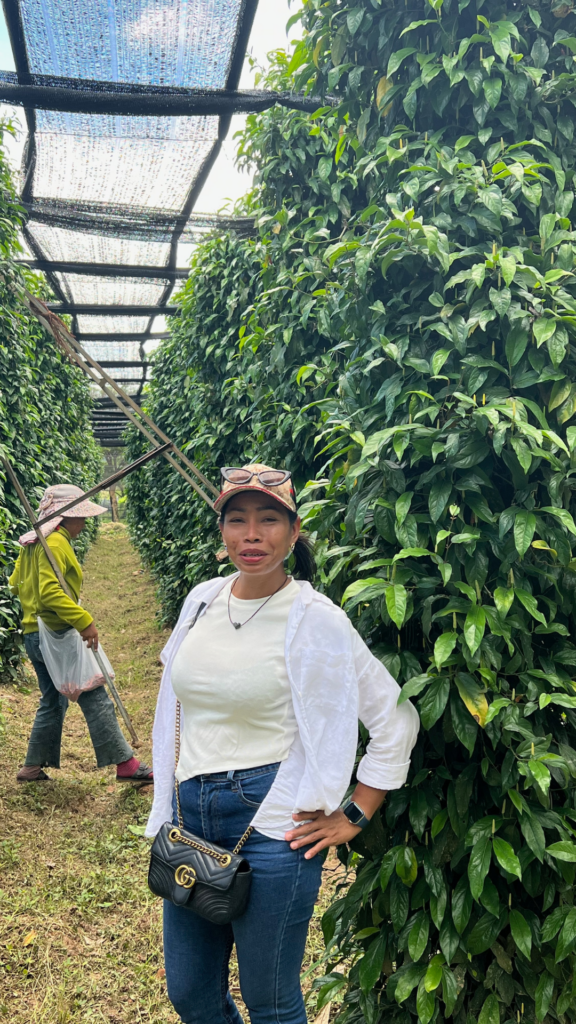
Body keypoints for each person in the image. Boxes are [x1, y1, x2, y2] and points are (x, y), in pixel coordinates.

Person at [146, 463, 420, 1024]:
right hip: (189, 816)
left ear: (293, 533)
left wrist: (357, 812)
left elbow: (395, 718)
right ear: (221, 531)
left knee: (271, 1001)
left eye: (269, 520)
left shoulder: (317, 619)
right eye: (238, 519)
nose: (252, 534)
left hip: (272, 823)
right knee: (191, 994)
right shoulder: (201, 601)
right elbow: (178, 694)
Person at [8, 483, 152, 784]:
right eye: (80, 516)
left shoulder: (34, 541)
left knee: (52, 699)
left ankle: (32, 767)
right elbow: (50, 593)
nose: (85, 522)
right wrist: (82, 620)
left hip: (35, 635)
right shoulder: (56, 543)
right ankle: (126, 765)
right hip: (56, 638)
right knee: (93, 691)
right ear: (65, 516)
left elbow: (16, 582)